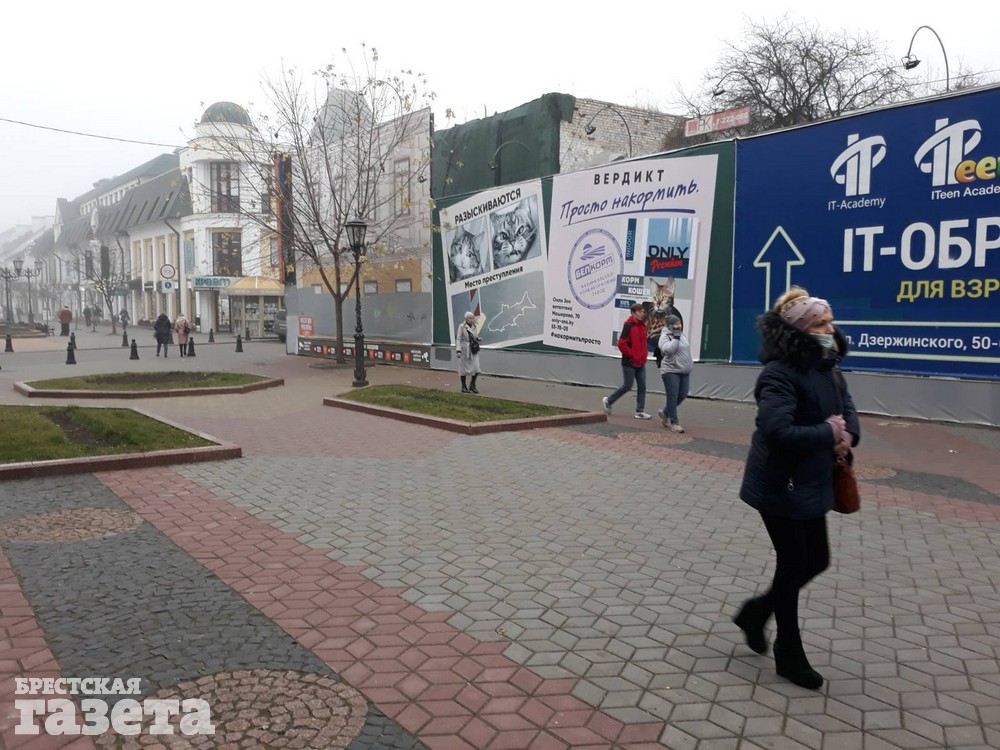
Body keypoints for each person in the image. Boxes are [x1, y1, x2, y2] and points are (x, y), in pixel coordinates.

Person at [734, 287, 860, 691]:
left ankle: (756, 612)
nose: (829, 329)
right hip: (780, 482)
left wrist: (846, 436)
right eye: (820, 324)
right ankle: (789, 653)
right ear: (801, 330)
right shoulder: (778, 373)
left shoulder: (828, 365)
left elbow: (847, 410)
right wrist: (829, 432)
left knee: (816, 559)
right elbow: (778, 430)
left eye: (830, 322)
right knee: (793, 563)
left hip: (813, 477)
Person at [602, 302, 651, 419]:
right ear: (633, 313)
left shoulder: (643, 326)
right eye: (639, 312)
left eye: (643, 312)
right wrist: (632, 355)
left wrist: (643, 356)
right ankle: (608, 400)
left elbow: (643, 344)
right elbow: (622, 344)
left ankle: (640, 411)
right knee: (627, 385)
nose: (642, 314)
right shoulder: (628, 326)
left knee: (642, 386)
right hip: (629, 363)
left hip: (641, 363)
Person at [657, 314, 693, 433]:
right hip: (670, 370)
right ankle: (674, 423)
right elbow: (668, 350)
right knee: (672, 396)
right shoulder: (665, 336)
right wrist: (676, 338)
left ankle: (665, 412)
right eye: (676, 324)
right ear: (670, 326)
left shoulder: (681, 334)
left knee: (682, 394)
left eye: (679, 323)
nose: (679, 326)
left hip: (684, 370)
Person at [456, 311, 482, 393]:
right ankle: (463, 386)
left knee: (477, 368)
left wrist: (477, 338)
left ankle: (472, 385)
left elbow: (474, 336)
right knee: (463, 369)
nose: (472, 320)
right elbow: (458, 339)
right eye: (470, 318)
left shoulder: (474, 326)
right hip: (465, 349)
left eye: (472, 318)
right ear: (466, 319)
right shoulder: (462, 326)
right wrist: (458, 350)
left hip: (473, 349)